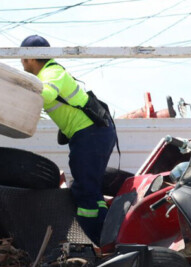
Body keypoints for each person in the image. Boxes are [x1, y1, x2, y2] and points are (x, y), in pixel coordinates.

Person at [20, 35, 117, 243]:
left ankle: (95, 239)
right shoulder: (49, 73)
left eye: (22, 58)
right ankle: (105, 235)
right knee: (89, 189)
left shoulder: (52, 73)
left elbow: (46, 95)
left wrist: (18, 91)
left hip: (90, 134)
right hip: (92, 134)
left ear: (30, 58)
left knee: (85, 190)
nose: (21, 63)